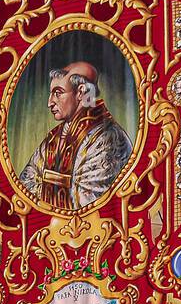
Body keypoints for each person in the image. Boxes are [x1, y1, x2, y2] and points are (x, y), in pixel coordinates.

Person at [18, 61, 133, 209]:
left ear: (80, 92)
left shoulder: (107, 138)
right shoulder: (54, 137)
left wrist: (47, 183)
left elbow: (89, 203)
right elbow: (26, 181)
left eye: (58, 93)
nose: (50, 102)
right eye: (51, 93)